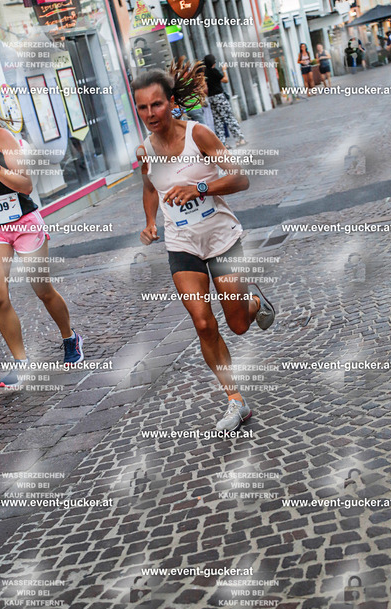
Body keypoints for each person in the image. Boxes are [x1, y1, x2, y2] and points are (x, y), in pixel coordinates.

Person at [132, 58, 275, 433]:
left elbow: (240, 178)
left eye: (156, 104)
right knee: (202, 322)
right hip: (182, 243)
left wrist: (199, 187)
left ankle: (252, 302)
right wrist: (150, 222)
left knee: (238, 325)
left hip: (221, 238)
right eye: (143, 107)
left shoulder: (199, 136)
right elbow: (150, 188)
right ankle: (235, 400)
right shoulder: (145, 151)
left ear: (171, 102)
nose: (150, 113)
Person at [0, 81, 84, 387]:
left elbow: (26, 185)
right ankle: (21, 362)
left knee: (42, 289)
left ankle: (70, 337)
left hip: (23, 221)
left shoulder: (0, 137)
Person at [203, 54, 246, 148]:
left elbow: (205, 88)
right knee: (229, 117)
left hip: (211, 98)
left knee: (218, 121)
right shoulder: (214, 71)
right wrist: (224, 70)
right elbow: (225, 80)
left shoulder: (205, 73)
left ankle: (222, 144)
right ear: (213, 62)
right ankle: (240, 139)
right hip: (219, 97)